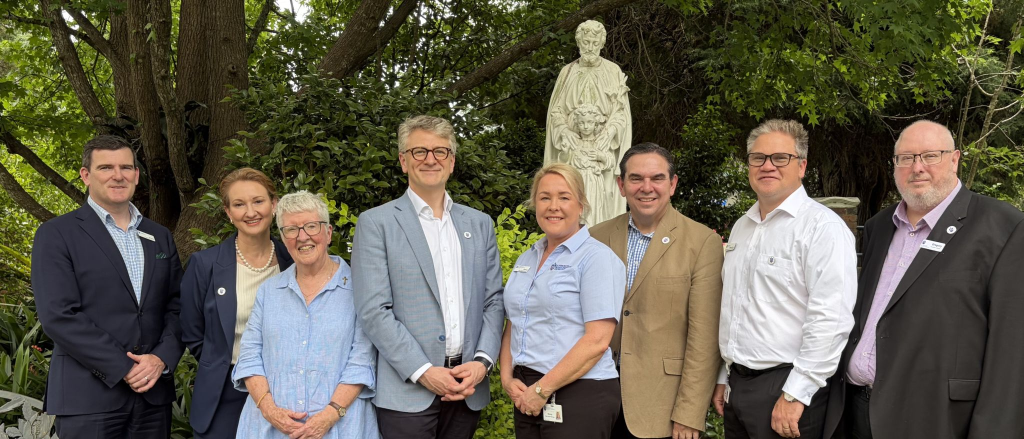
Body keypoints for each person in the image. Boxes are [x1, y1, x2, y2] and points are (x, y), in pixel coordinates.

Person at [822, 120, 1024, 439]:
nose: (917, 167)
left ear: (954, 159)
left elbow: (1012, 347)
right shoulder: (879, 227)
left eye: (930, 155)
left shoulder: (1002, 227)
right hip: (856, 411)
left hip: (937, 418)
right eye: (906, 158)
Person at [351, 115, 505, 439]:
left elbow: (493, 300)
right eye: (419, 151)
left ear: (452, 162)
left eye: (440, 151)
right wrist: (423, 371)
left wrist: (482, 362)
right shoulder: (377, 224)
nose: (430, 159)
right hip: (408, 391)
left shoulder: (479, 224)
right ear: (403, 161)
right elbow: (374, 310)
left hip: (467, 387)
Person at [31, 135, 184, 438]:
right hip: (88, 398)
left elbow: (177, 305)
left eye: (126, 167)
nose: (118, 175)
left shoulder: (159, 236)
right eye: (106, 168)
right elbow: (59, 315)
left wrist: (161, 359)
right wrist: (124, 367)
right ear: (86, 175)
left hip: (153, 396)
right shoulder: (57, 234)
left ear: (136, 175)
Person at [713, 120, 857, 439]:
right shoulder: (741, 227)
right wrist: (724, 374)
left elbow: (831, 319)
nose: (767, 166)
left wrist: (795, 394)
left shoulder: (823, 229)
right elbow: (734, 306)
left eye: (781, 158)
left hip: (787, 388)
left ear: (802, 166)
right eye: (758, 157)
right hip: (738, 385)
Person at [590, 143, 723, 439]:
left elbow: (704, 338)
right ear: (621, 185)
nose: (646, 187)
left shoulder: (702, 242)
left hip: (661, 405)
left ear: (673, 184)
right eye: (636, 178)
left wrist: (690, 413)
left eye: (657, 178)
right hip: (596, 396)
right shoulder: (595, 237)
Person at [232, 190, 378, 438]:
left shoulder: (359, 288)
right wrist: (270, 410)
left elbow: (362, 361)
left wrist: (329, 416)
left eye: (311, 226)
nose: (302, 237)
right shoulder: (269, 291)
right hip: (271, 427)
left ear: (328, 233)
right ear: (283, 238)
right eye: (291, 230)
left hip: (342, 426)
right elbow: (249, 356)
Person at [500, 163, 626, 439]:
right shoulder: (528, 257)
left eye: (564, 197)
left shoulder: (597, 259)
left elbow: (597, 340)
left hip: (580, 392)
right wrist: (507, 378)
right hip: (527, 390)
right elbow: (516, 320)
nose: (553, 206)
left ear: (581, 205)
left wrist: (542, 389)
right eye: (545, 197)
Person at [180, 168, 294, 438]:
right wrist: (222, 362)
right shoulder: (204, 265)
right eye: (239, 204)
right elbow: (193, 333)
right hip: (225, 391)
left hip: (285, 389)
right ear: (228, 212)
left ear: (274, 204)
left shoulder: (294, 261)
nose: (250, 212)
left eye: (258, 201)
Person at [544, 19, 631, 226]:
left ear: (601, 44)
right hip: (572, 150)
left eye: (594, 43)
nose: (590, 47)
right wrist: (565, 131)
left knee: (602, 206)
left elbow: (621, 112)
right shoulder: (568, 72)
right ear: (578, 43)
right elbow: (556, 110)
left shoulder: (613, 71)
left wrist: (609, 132)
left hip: (603, 150)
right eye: (586, 42)